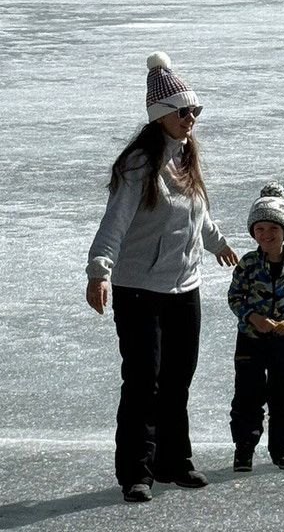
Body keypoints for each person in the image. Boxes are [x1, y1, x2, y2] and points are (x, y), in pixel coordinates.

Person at [86, 51, 239, 503]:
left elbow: (198, 215)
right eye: (183, 112)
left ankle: (176, 462)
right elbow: (113, 222)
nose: (191, 119)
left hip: (183, 287)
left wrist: (218, 244)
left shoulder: (187, 158)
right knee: (143, 381)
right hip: (139, 290)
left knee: (178, 378)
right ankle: (138, 471)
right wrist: (99, 272)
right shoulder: (139, 165)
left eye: (194, 111)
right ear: (160, 118)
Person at [227, 182, 284, 472]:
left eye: (273, 229)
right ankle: (244, 450)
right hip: (251, 341)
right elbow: (235, 297)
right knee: (247, 398)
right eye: (260, 229)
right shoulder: (248, 264)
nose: (266, 235)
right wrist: (252, 317)